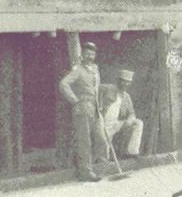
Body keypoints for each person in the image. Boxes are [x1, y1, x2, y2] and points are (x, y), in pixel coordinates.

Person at [58, 40, 109, 182]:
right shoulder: (78, 70)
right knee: (84, 141)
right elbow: (63, 84)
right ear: (82, 55)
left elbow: (96, 88)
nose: (90, 57)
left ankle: (102, 168)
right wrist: (75, 100)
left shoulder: (95, 69)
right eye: (87, 54)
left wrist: (100, 103)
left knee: (101, 139)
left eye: (92, 54)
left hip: (96, 108)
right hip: (83, 108)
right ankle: (86, 172)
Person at [103, 69, 145, 158]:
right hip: (102, 124)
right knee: (104, 152)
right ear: (119, 80)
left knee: (138, 123)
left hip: (116, 124)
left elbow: (131, 113)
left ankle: (132, 152)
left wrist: (130, 120)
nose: (126, 84)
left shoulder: (126, 97)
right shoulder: (107, 89)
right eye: (124, 81)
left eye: (128, 82)